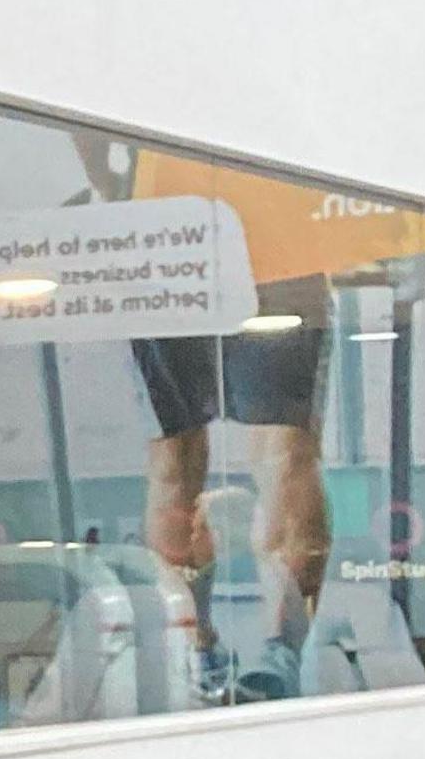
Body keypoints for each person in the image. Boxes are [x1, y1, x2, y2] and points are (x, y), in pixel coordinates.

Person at [131, 284, 331, 700]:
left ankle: (283, 654)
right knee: (172, 461)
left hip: (274, 259)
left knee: (287, 452)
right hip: (165, 262)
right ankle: (196, 645)